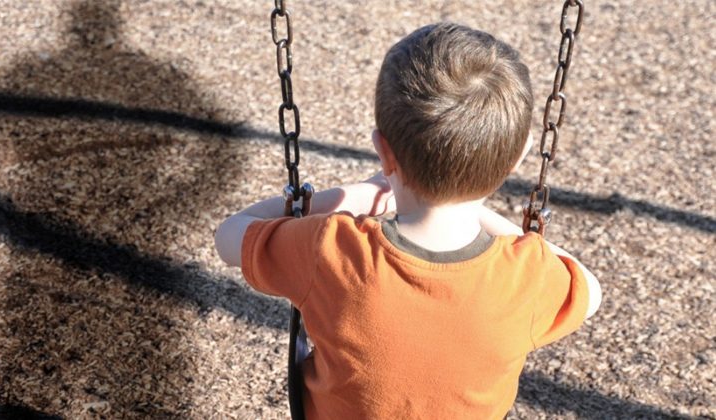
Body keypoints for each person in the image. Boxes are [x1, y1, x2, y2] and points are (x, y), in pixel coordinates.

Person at [215, 22, 602, 419]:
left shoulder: (332, 250)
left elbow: (228, 236)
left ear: (383, 152)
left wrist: (357, 195)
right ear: (519, 157)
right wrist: (483, 214)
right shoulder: (526, 275)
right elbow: (590, 291)